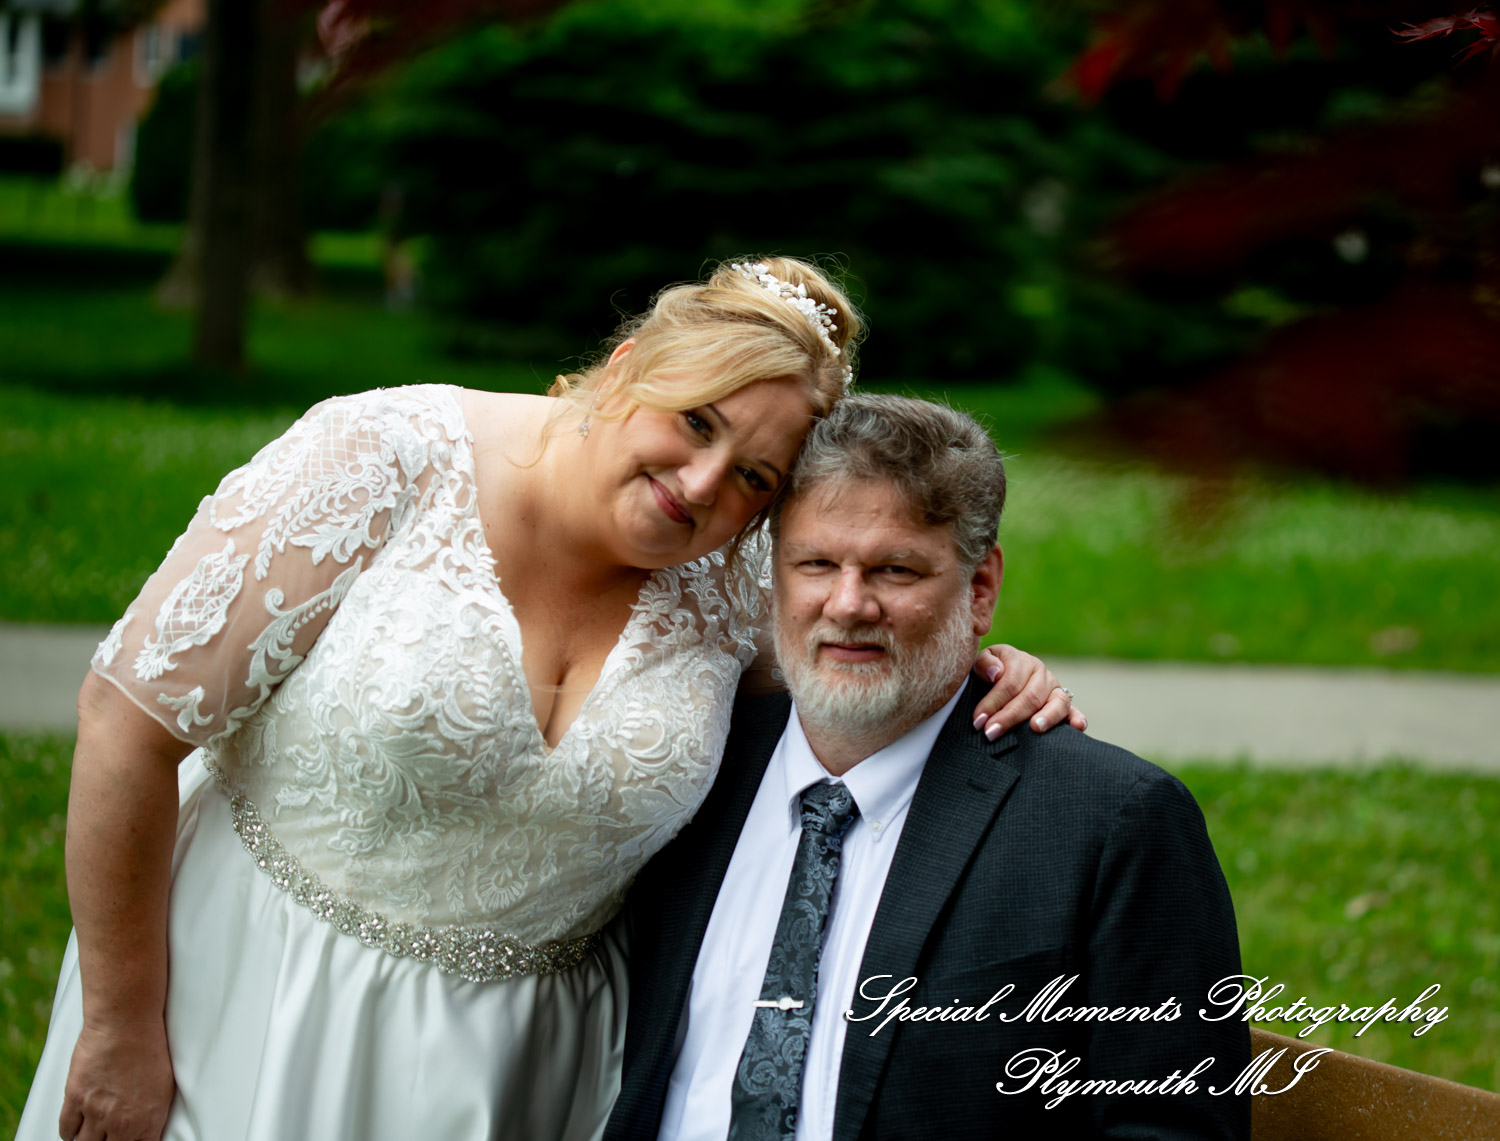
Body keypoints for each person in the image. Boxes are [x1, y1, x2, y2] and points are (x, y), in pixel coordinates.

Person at [17, 258, 1084, 1141]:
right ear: (626, 368)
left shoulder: (733, 586)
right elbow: (125, 724)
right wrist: (120, 1025)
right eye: (695, 421)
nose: (703, 485)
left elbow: (852, 675)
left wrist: (983, 661)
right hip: (253, 998)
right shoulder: (379, 458)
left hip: (534, 1067)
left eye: (754, 477)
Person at [605, 394, 1250, 1141]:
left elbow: (1171, 1127)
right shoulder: (691, 766)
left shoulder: (1110, 825)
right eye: (816, 563)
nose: (848, 604)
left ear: (980, 589)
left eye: (896, 570)